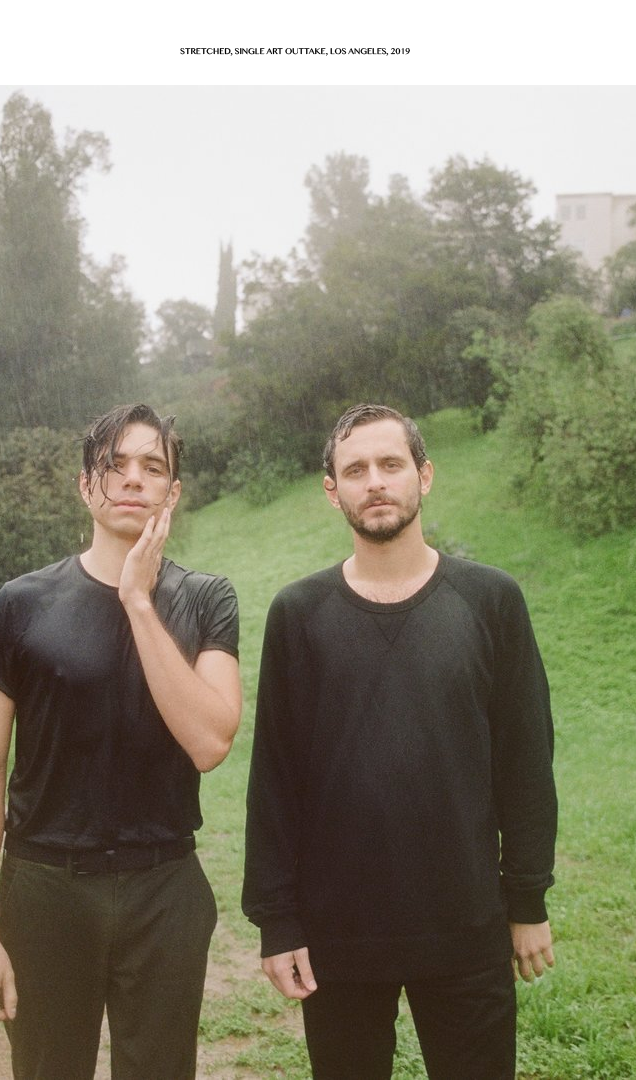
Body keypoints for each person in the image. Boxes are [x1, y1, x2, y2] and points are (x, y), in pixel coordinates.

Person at [242, 404, 557, 1079]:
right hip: (338, 934)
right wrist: (278, 921)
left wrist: (527, 899)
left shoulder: (490, 601)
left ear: (425, 475)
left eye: (391, 464)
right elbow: (275, 780)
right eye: (355, 470)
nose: (375, 482)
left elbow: (526, 762)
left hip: (467, 922)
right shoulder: (299, 615)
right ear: (332, 491)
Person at [0, 404, 243, 1080]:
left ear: (174, 492)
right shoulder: (21, 603)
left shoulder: (206, 599)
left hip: (165, 890)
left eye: (153, 467)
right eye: (115, 465)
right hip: (45, 890)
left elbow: (209, 741)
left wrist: (138, 600)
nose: (134, 479)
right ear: (86, 486)